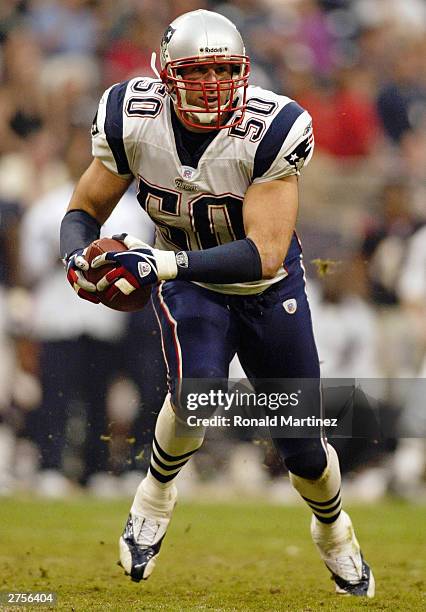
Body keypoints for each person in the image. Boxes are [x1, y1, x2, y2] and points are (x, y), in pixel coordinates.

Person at [59, 9, 374, 597]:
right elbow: (82, 212)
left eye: (223, 72)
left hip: (265, 289)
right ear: (164, 75)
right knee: (195, 395)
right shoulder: (132, 117)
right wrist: (77, 257)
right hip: (191, 285)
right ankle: (153, 496)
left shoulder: (272, 128)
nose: (210, 86)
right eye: (196, 72)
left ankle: (334, 531)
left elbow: (267, 254)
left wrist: (159, 262)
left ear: (245, 72)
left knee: (302, 446)